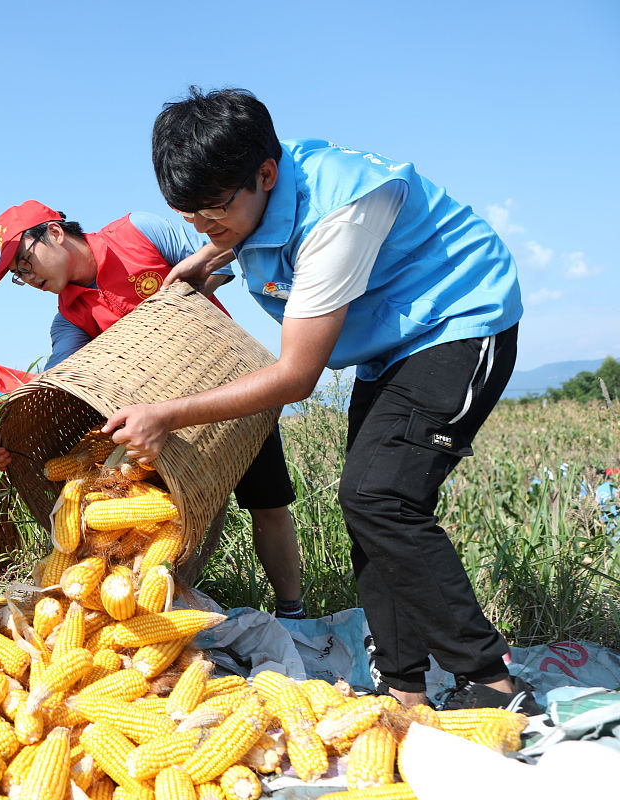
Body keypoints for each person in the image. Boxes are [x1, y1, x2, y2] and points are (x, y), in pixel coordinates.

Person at [104, 87, 534, 713]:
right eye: (188, 213)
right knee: (370, 508)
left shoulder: (343, 210)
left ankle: (493, 681)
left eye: (213, 209)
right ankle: (405, 690)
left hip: (461, 316)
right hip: (391, 341)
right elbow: (247, 222)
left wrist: (166, 414)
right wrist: (206, 252)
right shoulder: (254, 189)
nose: (204, 222)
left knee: (380, 497)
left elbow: (296, 375)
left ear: (265, 173)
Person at [0, 200, 303, 617]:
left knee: (268, 503)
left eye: (25, 263)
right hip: (166, 430)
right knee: (155, 527)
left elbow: (220, 257)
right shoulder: (69, 318)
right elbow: (57, 378)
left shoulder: (140, 231)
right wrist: (6, 433)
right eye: (17, 276)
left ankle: (293, 610)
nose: (27, 278)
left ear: (55, 233)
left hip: (228, 387)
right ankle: (139, 611)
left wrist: (177, 310)